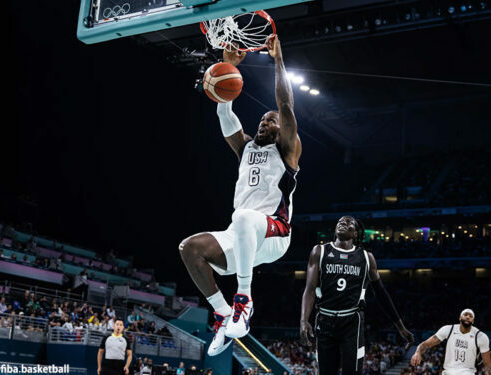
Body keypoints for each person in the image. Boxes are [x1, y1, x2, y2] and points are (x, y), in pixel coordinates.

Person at [179, 34, 301, 357]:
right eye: (263, 119)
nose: (265, 121)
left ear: (281, 128)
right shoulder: (245, 147)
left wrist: (278, 60)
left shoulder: (287, 150)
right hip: (242, 236)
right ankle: (223, 316)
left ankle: (243, 303)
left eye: (270, 120)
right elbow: (224, 115)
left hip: (275, 232)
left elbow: (286, 106)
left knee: (244, 217)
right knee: (190, 249)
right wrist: (227, 66)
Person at [300, 216, 414, 375]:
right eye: (339, 221)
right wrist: (304, 320)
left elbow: (381, 293)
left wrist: (400, 327)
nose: (342, 223)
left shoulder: (367, 258)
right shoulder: (319, 251)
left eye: (348, 223)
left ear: (355, 234)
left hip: (352, 323)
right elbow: (310, 289)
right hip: (325, 320)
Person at [410, 309, 490, 375]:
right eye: (465, 315)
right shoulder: (448, 329)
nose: (468, 317)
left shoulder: (480, 336)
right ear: (460, 318)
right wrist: (418, 352)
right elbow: (426, 344)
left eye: (470, 316)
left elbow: (487, 364)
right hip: (448, 372)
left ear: (473, 321)